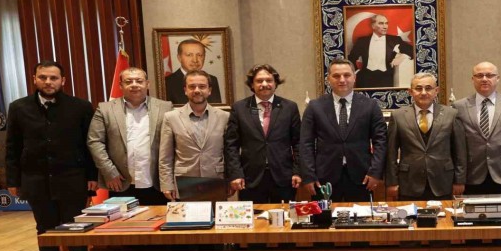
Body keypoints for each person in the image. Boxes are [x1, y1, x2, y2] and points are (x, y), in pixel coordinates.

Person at [5, 60, 97, 251]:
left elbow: (90, 145)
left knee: (76, 231)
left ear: (62, 80)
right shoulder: (19, 107)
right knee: (45, 231)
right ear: (34, 79)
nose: (48, 82)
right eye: (43, 77)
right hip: (36, 181)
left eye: (53, 78)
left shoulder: (81, 107)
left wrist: (92, 176)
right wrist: (13, 180)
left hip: (72, 180)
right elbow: (13, 146)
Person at [300, 58, 387, 202]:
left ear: (354, 77)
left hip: (362, 177)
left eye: (347, 75)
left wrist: (375, 172)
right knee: (325, 216)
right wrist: (308, 175)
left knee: (361, 215)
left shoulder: (370, 106)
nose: (342, 80)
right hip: (324, 178)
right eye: (336, 76)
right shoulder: (315, 107)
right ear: (328, 79)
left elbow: (380, 141)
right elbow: (306, 144)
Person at [87, 67, 173, 205]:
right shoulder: (105, 109)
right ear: (120, 85)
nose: (134, 85)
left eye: (139, 81)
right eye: (128, 81)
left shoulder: (165, 107)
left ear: (147, 84)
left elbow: (173, 142)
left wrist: (169, 179)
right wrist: (109, 172)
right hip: (119, 181)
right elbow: (95, 142)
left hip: (157, 182)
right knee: (122, 219)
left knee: (158, 218)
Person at [225, 64, 301, 203]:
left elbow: (298, 143)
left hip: (284, 177)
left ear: (275, 83)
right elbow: (231, 145)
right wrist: (235, 174)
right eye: (259, 81)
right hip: (250, 178)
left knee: (284, 216)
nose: (264, 84)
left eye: (269, 80)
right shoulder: (239, 108)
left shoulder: (290, 107)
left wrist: (297, 171)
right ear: (252, 84)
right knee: (254, 216)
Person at [385, 72, 466, 200]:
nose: (423, 92)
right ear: (410, 92)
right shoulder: (398, 116)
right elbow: (391, 153)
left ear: (436, 91)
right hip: (409, 183)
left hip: (443, 181)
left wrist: (459, 180)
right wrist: (392, 182)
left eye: (428, 88)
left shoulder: (451, 115)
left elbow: (460, 152)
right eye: (418, 88)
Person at [159, 70, 230, 200]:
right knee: (188, 214)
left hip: (216, 180)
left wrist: (231, 179)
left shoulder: (224, 117)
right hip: (184, 182)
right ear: (185, 90)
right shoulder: (171, 117)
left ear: (209, 90)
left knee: (216, 214)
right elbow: (165, 157)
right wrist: (166, 184)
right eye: (192, 86)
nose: (197, 90)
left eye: (202, 86)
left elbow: (230, 153)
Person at [453, 62, 501, 194]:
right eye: (479, 75)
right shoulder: (459, 106)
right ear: (473, 79)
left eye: (489, 75)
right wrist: (458, 178)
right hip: (472, 175)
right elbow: (457, 145)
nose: (484, 79)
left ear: (497, 78)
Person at [348, 14, 413, 89]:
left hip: (387, 80)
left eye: (386, 23)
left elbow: (412, 51)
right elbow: (351, 58)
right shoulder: (362, 41)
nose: (385, 27)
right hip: (365, 80)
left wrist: (403, 56)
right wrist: (355, 73)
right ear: (373, 26)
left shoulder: (395, 40)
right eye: (381, 23)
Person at [164, 39, 222, 104]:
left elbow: (216, 108)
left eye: (199, 55)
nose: (195, 60)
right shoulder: (167, 83)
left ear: (204, 57)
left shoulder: (212, 80)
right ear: (179, 58)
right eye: (189, 55)